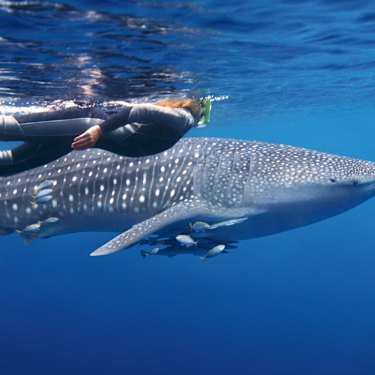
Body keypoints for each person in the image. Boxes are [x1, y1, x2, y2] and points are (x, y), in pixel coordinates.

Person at [0, 98, 211, 176]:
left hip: (83, 136)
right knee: (10, 129)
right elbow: (138, 110)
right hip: (86, 125)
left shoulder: (178, 123)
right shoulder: (183, 118)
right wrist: (98, 131)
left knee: (14, 164)